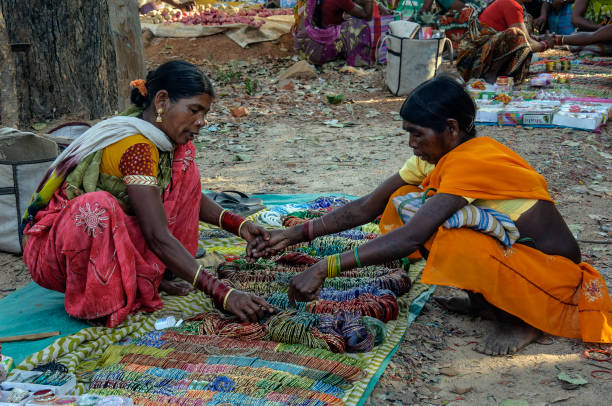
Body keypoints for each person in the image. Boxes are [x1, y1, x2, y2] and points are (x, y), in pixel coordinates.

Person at [249, 76, 612, 355]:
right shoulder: (439, 158)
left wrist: (324, 267)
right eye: (408, 133)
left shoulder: (472, 162)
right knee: (404, 199)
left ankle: (522, 318)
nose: (411, 143)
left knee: (450, 234)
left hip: (550, 273)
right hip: (519, 257)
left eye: (417, 134)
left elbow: (411, 237)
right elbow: (368, 206)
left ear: (451, 129)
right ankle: (485, 301)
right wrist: (294, 235)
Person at [22, 60, 274, 328]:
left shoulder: (162, 137)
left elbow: (183, 194)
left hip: (111, 239)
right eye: (194, 110)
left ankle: (149, 275)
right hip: (57, 256)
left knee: (184, 162)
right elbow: (156, 235)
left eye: (204, 113)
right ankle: (100, 299)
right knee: (98, 207)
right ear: (162, 100)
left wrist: (239, 224)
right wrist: (223, 294)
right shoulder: (137, 147)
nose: (202, 122)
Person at [456, 0, 553, 84]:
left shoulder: (518, 6)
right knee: (515, 34)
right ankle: (490, 73)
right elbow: (526, 42)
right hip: (474, 60)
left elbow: (527, 39)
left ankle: (503, 74)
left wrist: (541, 39)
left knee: (519, 33)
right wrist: (546, 44)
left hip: (484, 55)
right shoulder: (510, 3)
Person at [293, 0, 377, 66]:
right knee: (360, 26)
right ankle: (358, 62)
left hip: (307, 47)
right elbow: (367, 16)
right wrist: (368, 1)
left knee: (344, 20)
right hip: (321, 52)